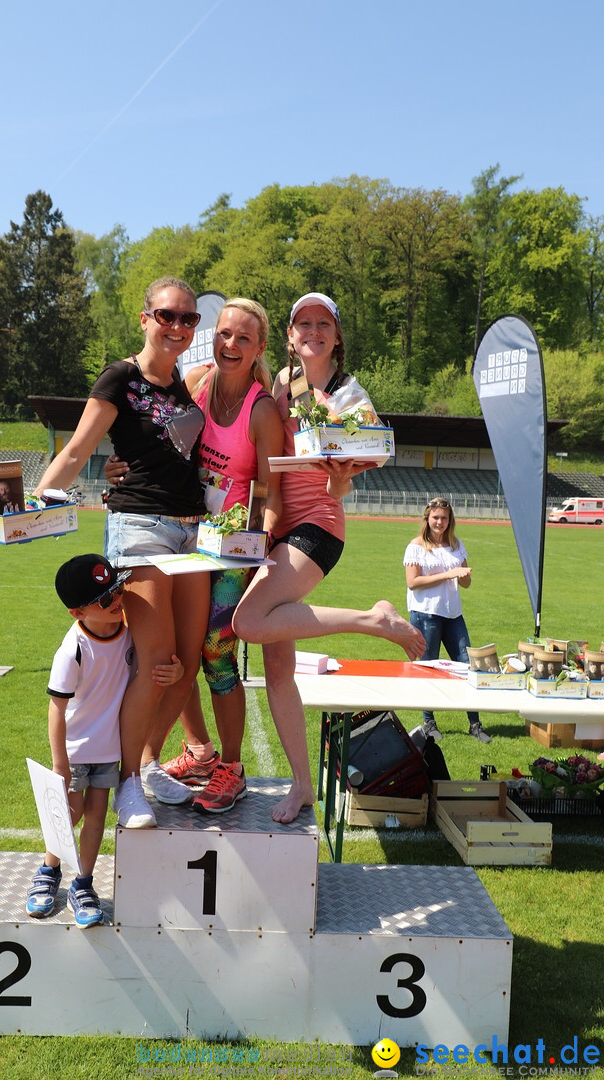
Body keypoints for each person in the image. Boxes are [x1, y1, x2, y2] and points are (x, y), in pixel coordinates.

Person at [231, 292, 426, 824]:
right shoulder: (282, 385)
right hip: (277, 528)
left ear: (337, 336)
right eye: (303, 323)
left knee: (249, 622)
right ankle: (301, 785)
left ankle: (374, 620)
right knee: (276, 665)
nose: (312, 331)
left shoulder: (350, 395)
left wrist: (341, 479)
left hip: (318, 527)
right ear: (290, 336)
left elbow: (357, 471)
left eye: (323, 324)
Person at [34, 276, 210, 828]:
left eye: (188, 319)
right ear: (144, 318)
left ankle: (150, 761)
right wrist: (40, 493)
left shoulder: (186, 383)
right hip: (141, 526)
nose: (178, 326)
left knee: (185, 667)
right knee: (156, 662)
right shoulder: (120, 377)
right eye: (167, 316)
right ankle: (129, 783)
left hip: (193, 532)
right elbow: (81, 445)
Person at [107, 298, 285, 813]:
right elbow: (154, 439)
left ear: (259, 348)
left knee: (214, 651)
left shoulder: (262, 409)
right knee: (176, 651)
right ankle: (197, 750)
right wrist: (120, 467)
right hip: (185, 538)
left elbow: (269, 495)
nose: (230, 344)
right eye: (224, 333)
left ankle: (231, 765)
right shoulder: (196, 385)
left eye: (243, 338)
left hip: (230, 553)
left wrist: (259, 548)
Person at [25, 553, 183, 928]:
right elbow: (55, 709)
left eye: (116, 589)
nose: (115, 600)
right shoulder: (73, 649)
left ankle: (83, 884)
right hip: (77, 752)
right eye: (103, 599)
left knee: (95, 818)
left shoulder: (128, 633)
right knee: (71, 815)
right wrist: (61, 763)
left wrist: (174, 671)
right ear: (78, 614)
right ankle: (48, 873)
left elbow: (147, 672)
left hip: (109, 751)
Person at [404, 498, 491, 743]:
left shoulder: (456, 545)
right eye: (435, 518)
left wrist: (463, 575)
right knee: (428, 667)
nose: (440, 522)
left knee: (467, 666)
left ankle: (475, 724)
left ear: (450, 520)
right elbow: (413, 582)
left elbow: (466, 582)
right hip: (426, 614)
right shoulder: (416, 546)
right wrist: (449, 574)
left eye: (444, 518)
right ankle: (428, 722)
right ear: (427, 519)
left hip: (454, 616)